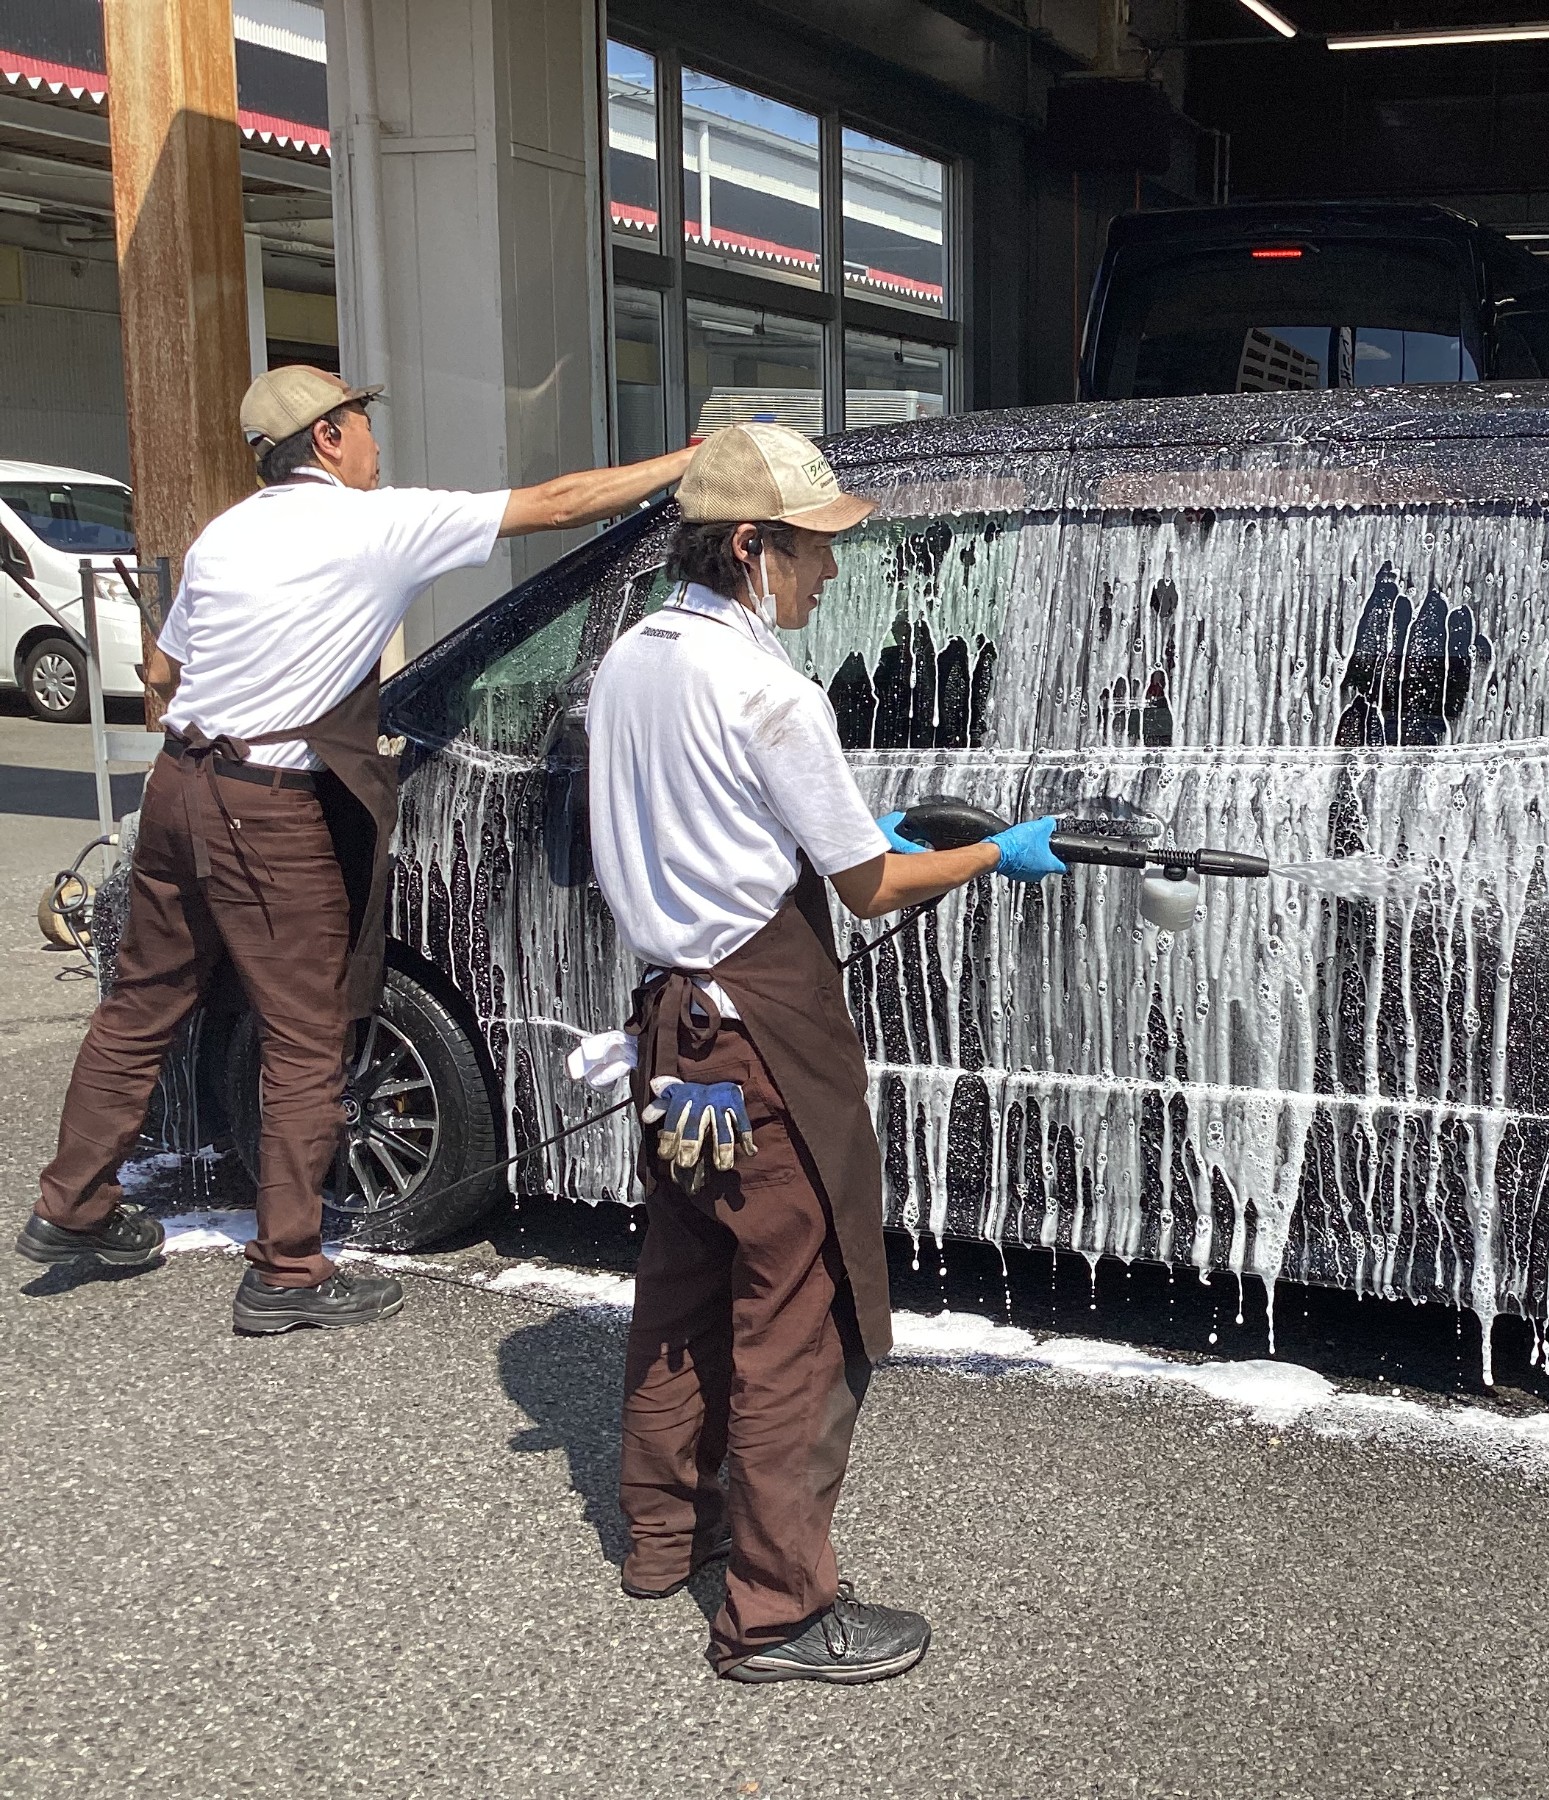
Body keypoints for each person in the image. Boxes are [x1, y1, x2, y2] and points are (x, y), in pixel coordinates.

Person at [14, 365, 696, 1335]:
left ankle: (73, 1206)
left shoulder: (225, 533)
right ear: (328, 438)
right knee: (307, 1032)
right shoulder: (373, 525)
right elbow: (557, 503)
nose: (377, 439)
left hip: (178, 785)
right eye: (362, 422)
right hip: (265, 806)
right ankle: (288, 1270)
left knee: (140, 1006)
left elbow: (163, 668)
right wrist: (685, 464)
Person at [584, 421, 1064, 1685]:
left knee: (686, 1280)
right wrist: (999, 850)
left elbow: (707, 817)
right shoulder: (771, 692)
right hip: (760, 1039)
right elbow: (871, 887)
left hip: (670, 1030)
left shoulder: (633, 656)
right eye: (813, 549)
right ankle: (778, 1613)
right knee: (797, 1313)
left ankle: (663, 1536)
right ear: (751, 545)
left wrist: (840, 827)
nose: (831, 572)